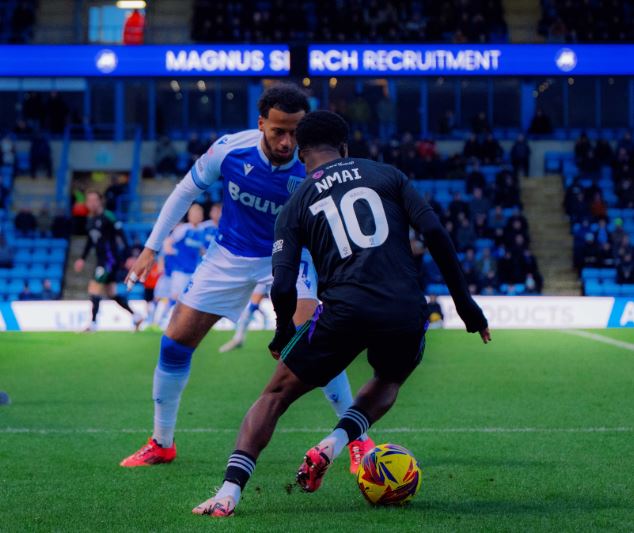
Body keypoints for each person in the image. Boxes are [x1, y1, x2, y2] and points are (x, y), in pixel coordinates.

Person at [192, 110, 490, 518]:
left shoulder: (294, 205)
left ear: (300, 152)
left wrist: (282, 333)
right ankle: (334, 443)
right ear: (345, 148)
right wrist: (465, 304)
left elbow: (282, 285)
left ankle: (229, 492)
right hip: (403, 308)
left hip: (343, 311)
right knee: (387, 379)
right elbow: (435, 233)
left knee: (275, 396)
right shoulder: (388, 175)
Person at [121, 84, 374, 471]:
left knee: (313, 338)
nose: (289, 142)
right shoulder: (229, 149)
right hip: (229, 255)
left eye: (296, 131)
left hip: (292, 255)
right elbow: (185, 190)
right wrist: (152, 247)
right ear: (261, 124)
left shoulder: (314, 163)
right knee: (174, 343)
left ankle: (358, 441)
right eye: (279, 131)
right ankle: (162, 442)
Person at [74, 190, 142, 332]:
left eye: (94, 200)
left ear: (100, 201)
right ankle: (136, 316)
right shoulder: (90, 221)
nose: (91, 203)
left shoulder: (108, 216)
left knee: (94, 288)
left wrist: (129, 256)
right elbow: (90, 241)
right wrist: (82, 258)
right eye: (89, 200)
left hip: (109, 261)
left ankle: (92, 324)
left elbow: (122, 235)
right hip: (101, 260)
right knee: (111, 293)